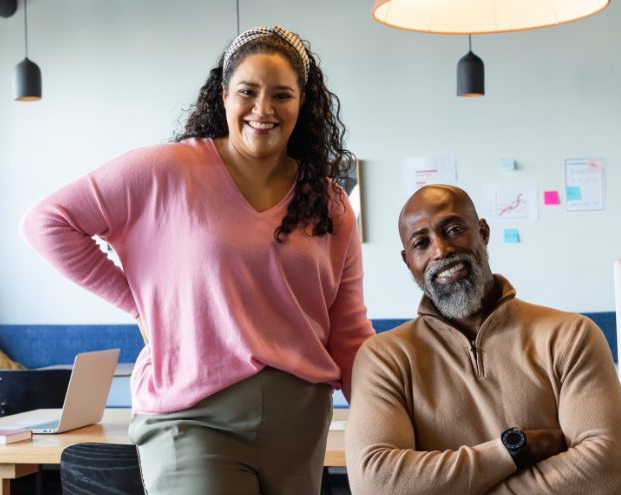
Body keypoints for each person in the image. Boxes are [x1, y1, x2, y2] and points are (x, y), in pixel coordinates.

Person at [20, 25, 373, 495]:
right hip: (191, 417)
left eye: (282, 95)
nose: (263, 109)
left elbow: (348, 331)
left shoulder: (329, 202)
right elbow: (47, 223)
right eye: (248, 91)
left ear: (303, 104)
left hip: (301, 423)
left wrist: (387, 416)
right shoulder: (164, 171)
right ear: (224, 94)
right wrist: (136, 303)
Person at [346, 185, 621, 494]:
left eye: (454, 229)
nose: (441, 250)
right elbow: (376, 484)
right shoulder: (384, 357)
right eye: (421, 243)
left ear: (482, 232)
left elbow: (609, 471)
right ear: (408, 262)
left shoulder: (571, 336)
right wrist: (513, 450)